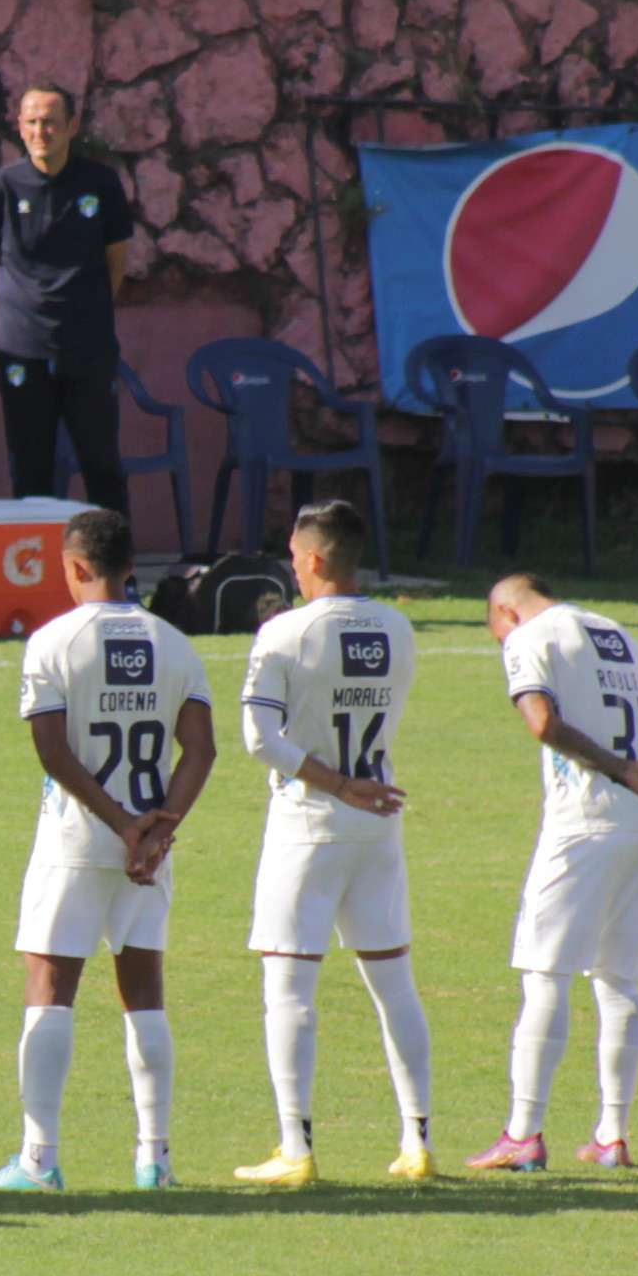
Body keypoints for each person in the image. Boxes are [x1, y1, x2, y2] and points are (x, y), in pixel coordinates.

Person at [0, 504, 215, 1196]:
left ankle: (39, 1160)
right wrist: (159, 827)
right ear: (130, 565)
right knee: (144, 993)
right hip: (150, 848)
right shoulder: (175, 643)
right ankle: (155, 1160)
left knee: (50, 990)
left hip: (79, 840)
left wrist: (118, 823)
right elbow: (199, 749)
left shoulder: (53, 641)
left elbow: (53, 750)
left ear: (76, 567)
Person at [233, 499, 434, 1187]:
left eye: (294, 555)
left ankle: (297, 1148)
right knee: (393, 982)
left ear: (315, 558)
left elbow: (260, 738)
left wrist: (334, 784)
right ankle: (418, 1141)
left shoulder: (283, 633)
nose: (291, 565)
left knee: (288, 986)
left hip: (310, 823)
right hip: (379, 818)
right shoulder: (399, 628)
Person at [470, 575, 638, 1174]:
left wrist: (617, 770)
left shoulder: (531, 636)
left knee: (546, 975)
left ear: (506, 612)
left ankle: (523, 1132)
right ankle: (612, 1134)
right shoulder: (617, 633)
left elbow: (541, 722)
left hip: (585, 823)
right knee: (620, 982)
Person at [0, 83, 136, 514]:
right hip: (22, 352)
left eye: (50, 122)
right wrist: (14, 317)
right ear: (20, 127)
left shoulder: (101, 183)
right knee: (30, 470)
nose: (41, 131)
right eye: (32, 122)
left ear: (72, 126)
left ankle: (118, 576)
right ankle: (36, 575)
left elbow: (116, 261)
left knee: (102, 466)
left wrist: (87, 314)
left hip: (89, 349)